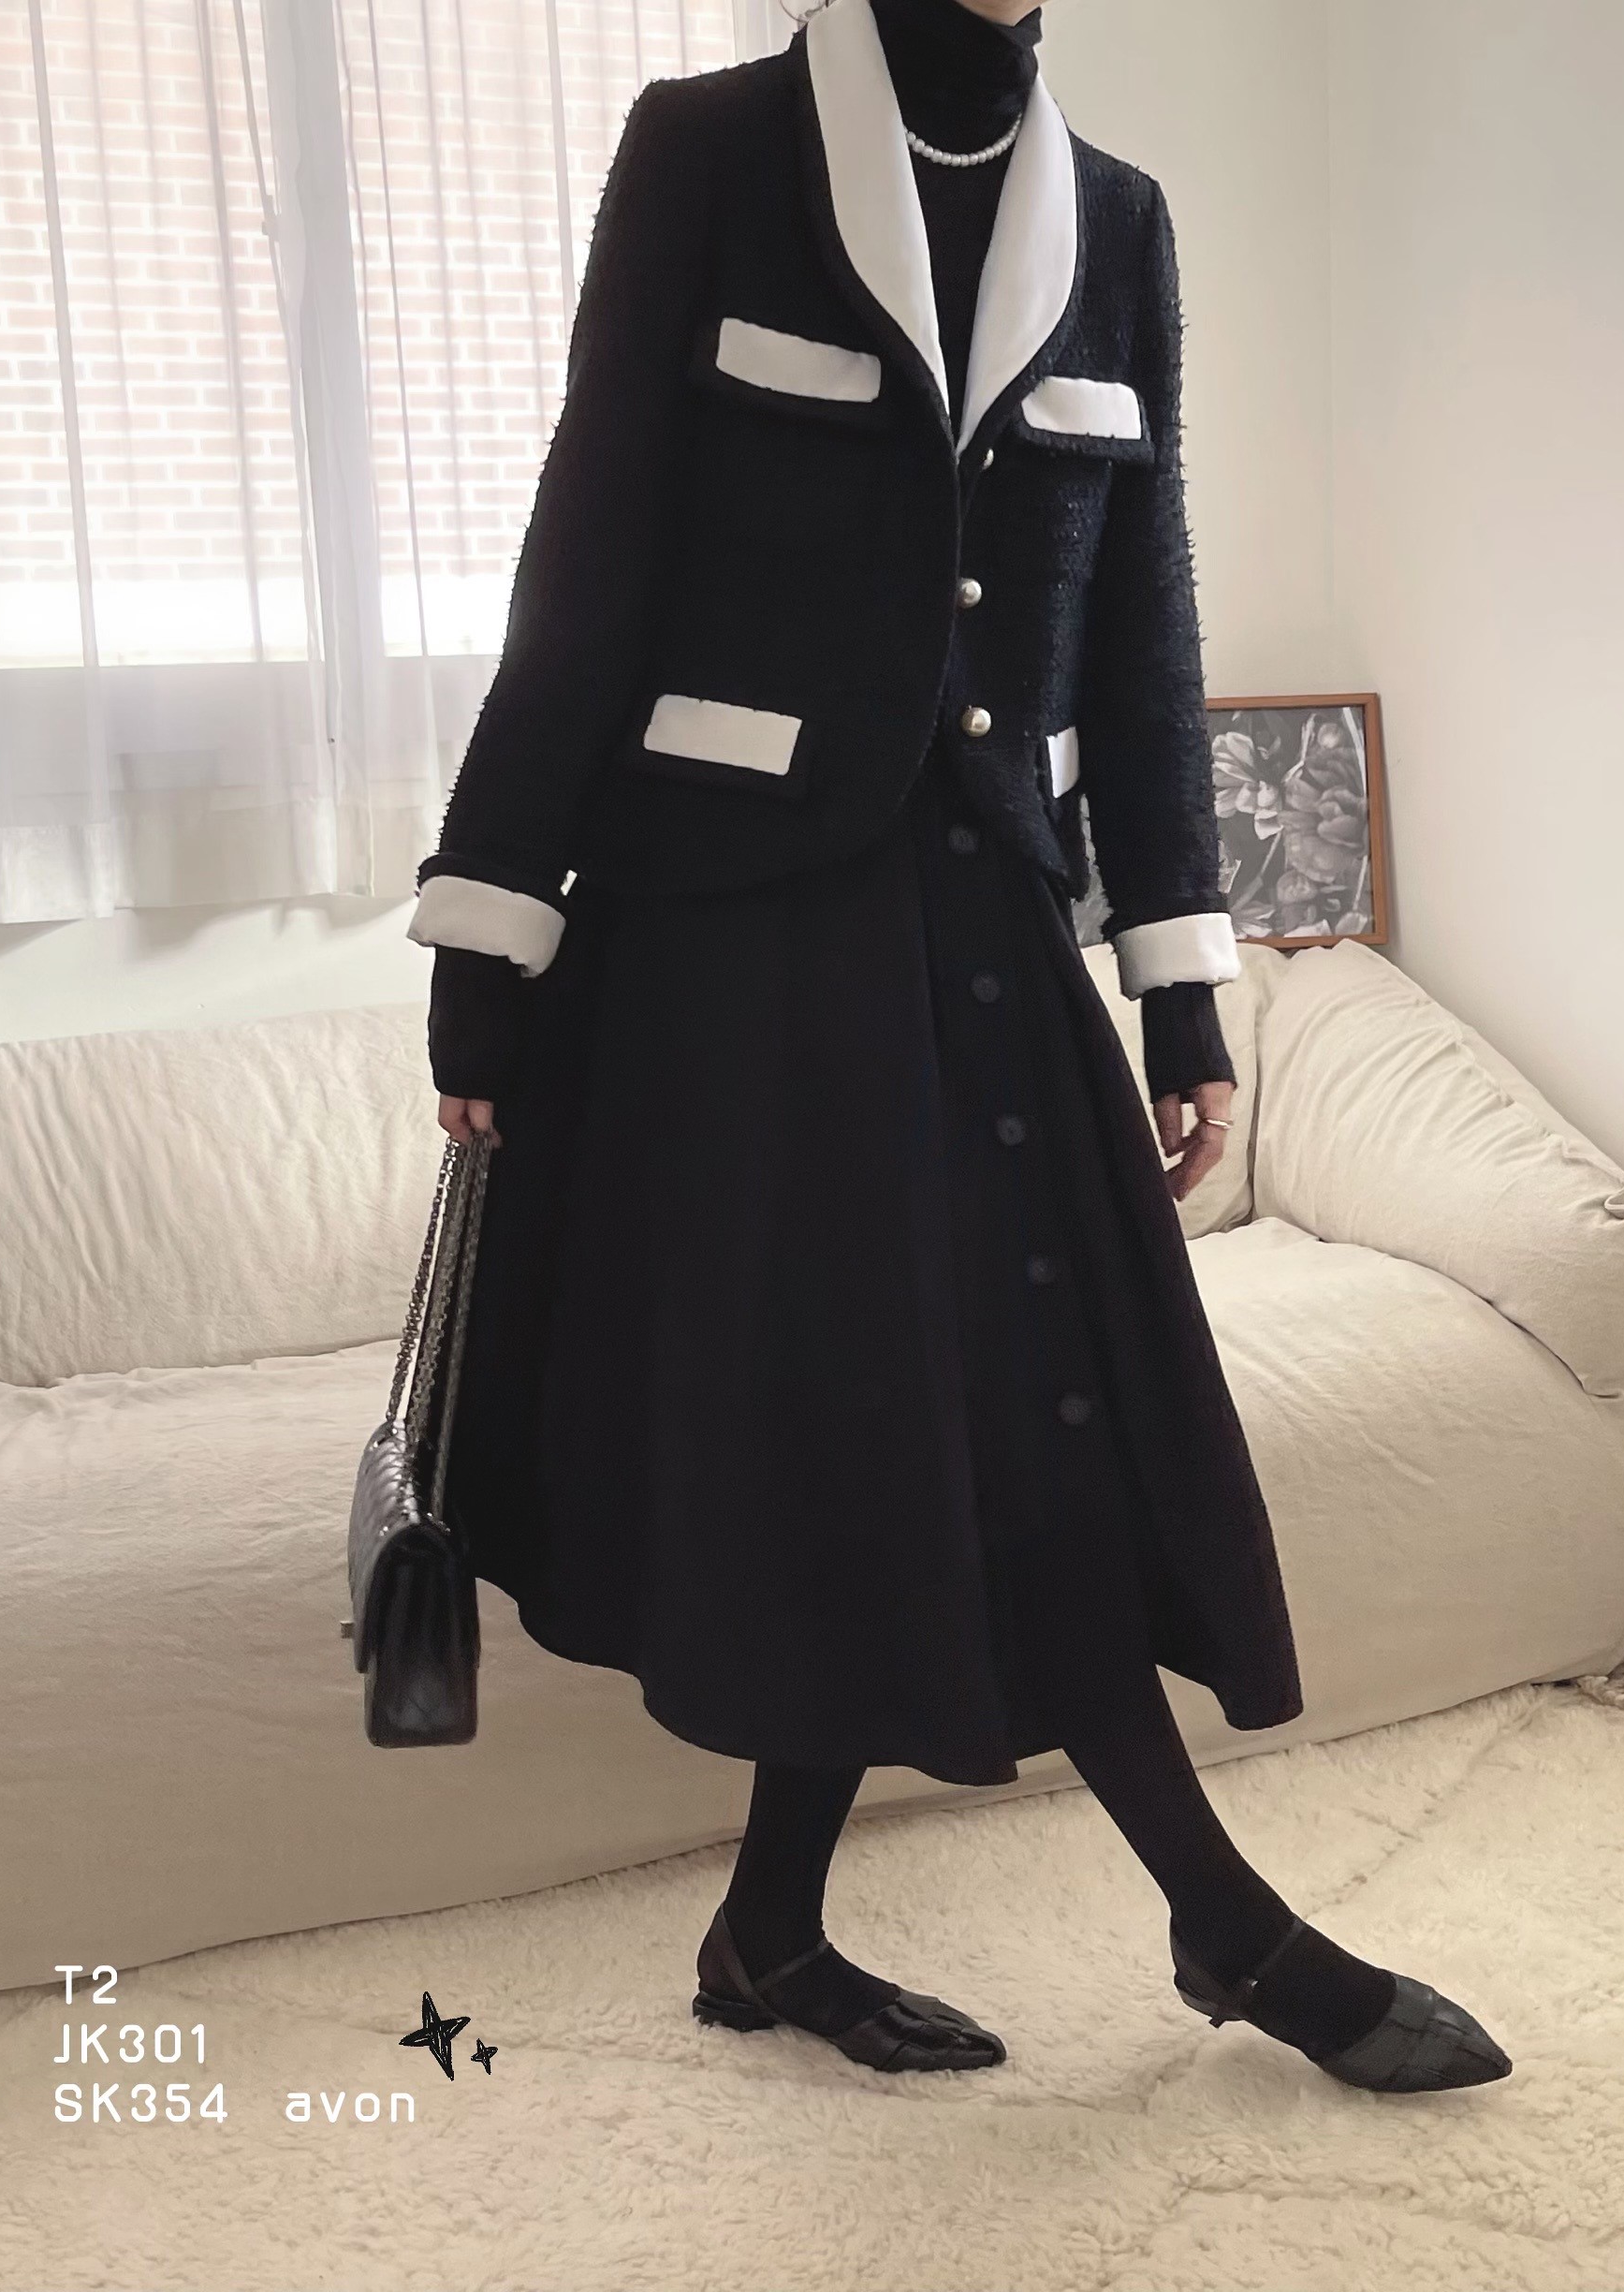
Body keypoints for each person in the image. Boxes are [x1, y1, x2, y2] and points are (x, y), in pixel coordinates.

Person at [404, 0, 1509, 2094]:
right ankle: (1223, 1920)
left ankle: (779, 1931)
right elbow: (593, 544)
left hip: (988, 931)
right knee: (940, 1421)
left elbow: (1143, 614)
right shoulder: (708, 151)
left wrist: (1181, 979)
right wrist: (491, 936)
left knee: (961, 1422)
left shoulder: (1123, 221)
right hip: (737, 948)